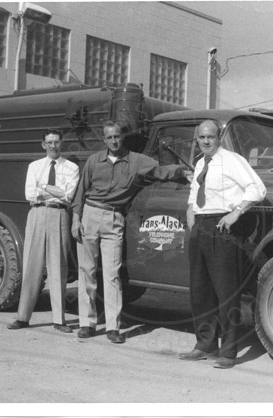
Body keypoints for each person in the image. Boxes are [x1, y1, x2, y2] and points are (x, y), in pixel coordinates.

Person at [71, 120, 190, 343]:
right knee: (87, 271)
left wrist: (182, 170)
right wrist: (76, 218)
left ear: (122, 136)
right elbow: (80, 191)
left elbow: (161, 170)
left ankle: (113, 327)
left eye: (117, 136)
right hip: (90, 214)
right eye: (109, 138)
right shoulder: (94, 161)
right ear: (104, 139)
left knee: (112, 274)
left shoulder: (136, 161)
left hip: (114, 219)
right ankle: (87, 323)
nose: (114, 141)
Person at [179, 120, 266, 369]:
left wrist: (236, 212)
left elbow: (257, 189)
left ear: (219, 137)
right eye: (201, 138)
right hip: (200, 228)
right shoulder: (199, 163)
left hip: (223, 228)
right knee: (200, 290)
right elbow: (195, 191)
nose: (206, 141)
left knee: (226, 293)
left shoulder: (232, 160)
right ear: (197, 139)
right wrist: (190, 209)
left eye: (211, 137)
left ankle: (228, 351)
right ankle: (205, 344)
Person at [8, 128, 79, 333]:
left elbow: (67, 196)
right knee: (31, 265)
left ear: (61, 143)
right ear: (43, 144)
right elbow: (30, 194)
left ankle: (59, 320)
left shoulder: (72, 167)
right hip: (37, 215)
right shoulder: (34, 166)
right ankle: (22, 317)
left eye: (57, 142)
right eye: (49, 142)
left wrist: (43, 187)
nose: (53, 146)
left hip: (59, 216)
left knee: (58, 267)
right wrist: (52, 191)